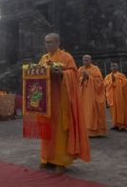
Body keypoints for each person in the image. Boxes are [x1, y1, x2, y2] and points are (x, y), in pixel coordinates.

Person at [38, 33, 90, 172]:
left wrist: (61, 74)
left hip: (61, 100)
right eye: (46, 42)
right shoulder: (44, 58)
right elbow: (37, 75)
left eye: (51, 42)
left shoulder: (66, 57)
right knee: (47, 130)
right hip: (47, 101)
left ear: (58, 43)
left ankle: (60, 161)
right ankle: (46, 158)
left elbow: (74, 74)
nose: (48, 45)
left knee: (60, 131)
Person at [78, 54, 107, 137]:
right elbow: (76, 81)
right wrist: (82, 78)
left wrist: (89, 78)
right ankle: (84, 131)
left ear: (90, 60)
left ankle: (96, 132)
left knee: (92, 112)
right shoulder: (80, 69)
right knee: (83, 113)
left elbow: (100, 83)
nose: (86, 61)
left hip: (92, 96)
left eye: (87, 60)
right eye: (84, 60)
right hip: (83, 96)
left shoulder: (95, 69)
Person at [104, 62, 127, 131]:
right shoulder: (107, 76)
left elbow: (125, 83)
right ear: (110, 68)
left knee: (121, 110)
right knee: (113, 111)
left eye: (114, 66)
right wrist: (112, 81)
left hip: (120, 96)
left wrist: (116, 80)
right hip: (112, 96)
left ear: (117, 67)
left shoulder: (121, 75)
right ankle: (115, 124)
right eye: (112, 66)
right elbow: (105, 85)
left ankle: (122, 125)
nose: (113, 67)